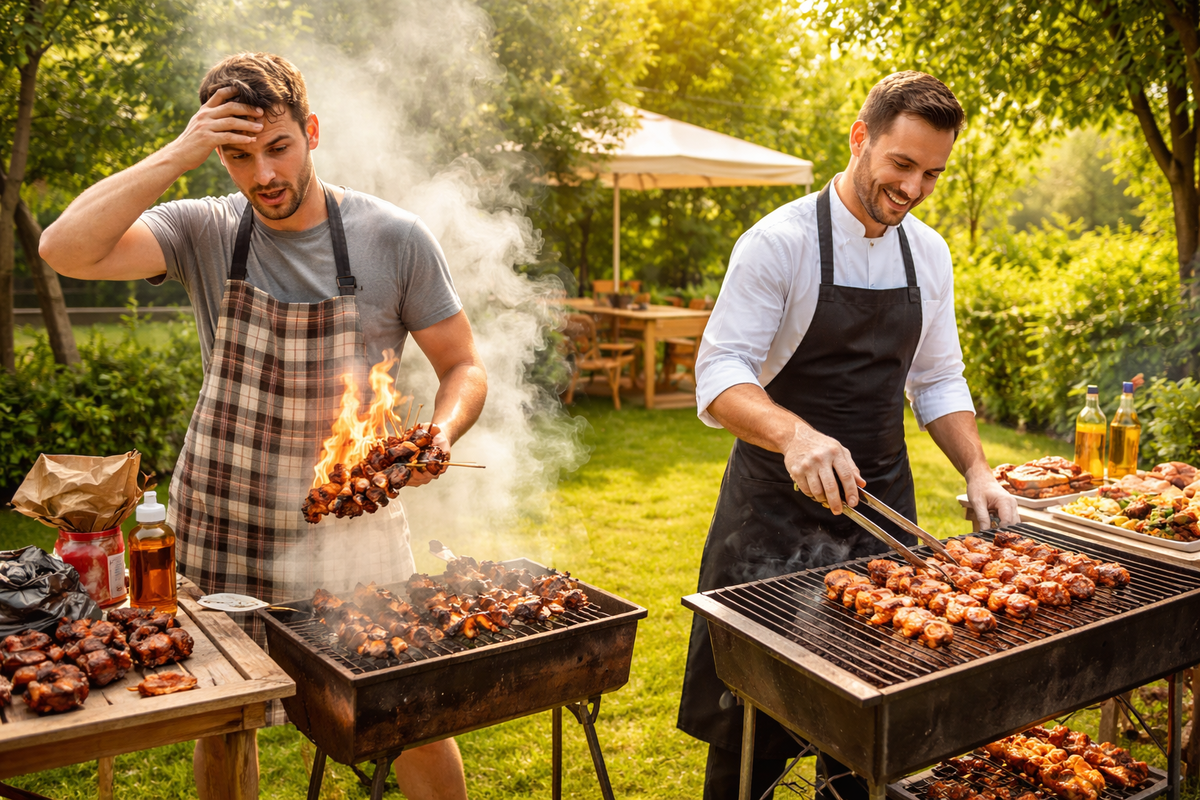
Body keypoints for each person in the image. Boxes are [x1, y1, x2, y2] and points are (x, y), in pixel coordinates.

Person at [40, 52, 483, 800]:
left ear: (312, 132)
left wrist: (439, 434)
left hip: (351, 533)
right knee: (223, 717)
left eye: (279, 147)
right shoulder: (203, 228)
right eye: (239, 156)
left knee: (406, 711)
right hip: (226, 525)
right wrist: (179, 154)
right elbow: (63, 249)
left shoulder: (393, 237)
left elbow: (463, 365)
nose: (264, 174)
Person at [677, 71, 1021, 799]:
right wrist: (796, 437)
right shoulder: (780, 242)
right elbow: (720, 373)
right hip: (772, 521)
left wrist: (977, 469)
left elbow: (938, 379)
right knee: (751, 739)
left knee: (870, 737)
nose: (915, 188)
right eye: (903, 164)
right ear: (861, 138)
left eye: (933, 174)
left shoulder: (929, 253)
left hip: (882, 518)